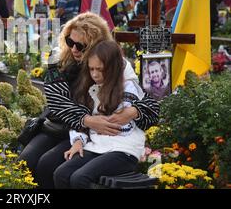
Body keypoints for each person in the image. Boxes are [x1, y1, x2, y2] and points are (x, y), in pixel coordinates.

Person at [18, 12, 159, 188]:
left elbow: (141, 98)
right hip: (60, 125)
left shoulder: (114, 64)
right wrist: (88, 120)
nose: (74, 49)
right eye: (70, 41)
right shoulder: (58, 60)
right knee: (25, 161)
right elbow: (57, 101)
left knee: (48, 164)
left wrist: (132, 111)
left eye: (81, 45)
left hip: (86, 133)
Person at [53, 40, 145, 188]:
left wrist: (92, 122)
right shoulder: (91, 86)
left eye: (100, 69)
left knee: (79, 178)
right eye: (91, 69)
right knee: (61, 173)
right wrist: (79, 140)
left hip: (123, 149)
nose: (95, 74)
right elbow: (82, 117)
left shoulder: (128, 87)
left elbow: (117, 127)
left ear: (113, 68)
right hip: (97, 144)